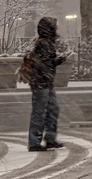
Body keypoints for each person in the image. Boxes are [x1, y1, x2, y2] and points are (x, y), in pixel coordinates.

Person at [24, 16, 63, 152]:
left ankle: (49, 139)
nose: (57, 29)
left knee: (51, 110)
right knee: (40, 112)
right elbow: (45, 64)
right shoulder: (44, 44)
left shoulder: (46, 43)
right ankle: (35, 142)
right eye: (55, 26)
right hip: (41, 82)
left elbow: (45, 62)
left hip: (45, 82)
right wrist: (60, 60)